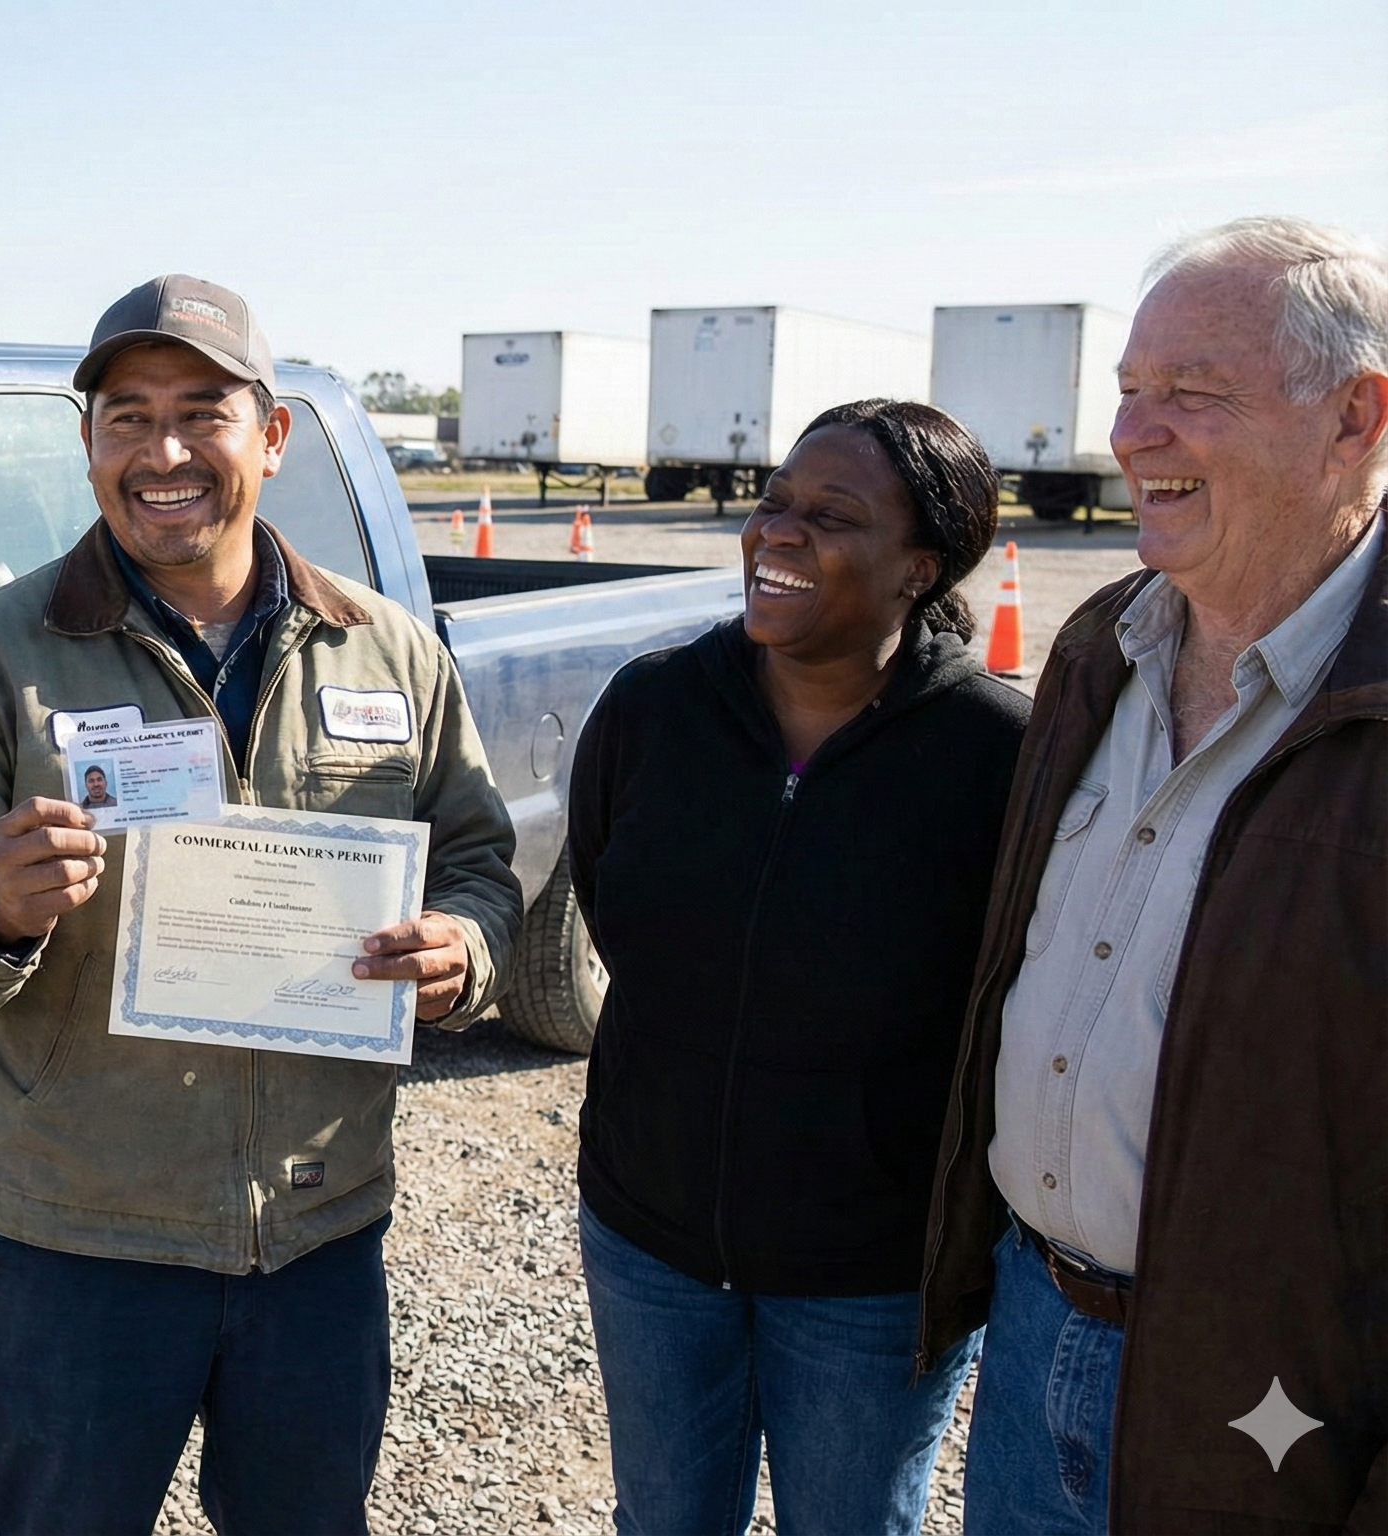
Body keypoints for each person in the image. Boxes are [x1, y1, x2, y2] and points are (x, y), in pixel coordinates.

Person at [0, 275, 523, 1535]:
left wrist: (461, 949)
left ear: (268, 437)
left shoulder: (386, 651)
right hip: (83, 1242)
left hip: (317, 1230)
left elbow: (478, 869)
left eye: (201, 412)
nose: (163, 452)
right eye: (125, 416)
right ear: (88, 444)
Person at [919, 217, 1388, 1535]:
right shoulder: (1097, 653)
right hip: (1031, 1320)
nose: (1133, 436)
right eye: (1129, 393)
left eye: (1192, 395)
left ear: (1356, 418)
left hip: (1276, 1404)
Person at [566, 399, 1025, 1534]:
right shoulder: (652, 708)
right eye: (772, 501)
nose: (777, 532)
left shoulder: (996, 754)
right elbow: (604, 897)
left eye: (829, 516)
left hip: (868, 1276)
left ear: (919, 566)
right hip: (650, 1238)